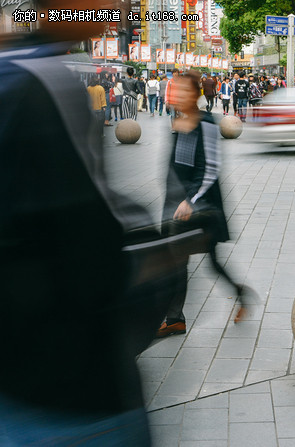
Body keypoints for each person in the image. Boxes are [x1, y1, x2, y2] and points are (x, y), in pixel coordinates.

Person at [0, 3, 177, 442]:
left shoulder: (14, 73)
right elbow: (91, 245)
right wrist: (161, 261)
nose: (115, 8)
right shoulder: (51, 83)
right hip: (73, 385)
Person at [158, 69, 250, 337]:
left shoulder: (206, 123)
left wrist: (190, 200)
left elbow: (210, 168)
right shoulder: (178, 121)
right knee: (189, 260)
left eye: (185, 90)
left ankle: (175, 318)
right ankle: (176, 317)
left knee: (192, 261)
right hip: (179, 206)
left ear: (196, 94)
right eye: (177, 89)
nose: (179, 94)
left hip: (201, 208)